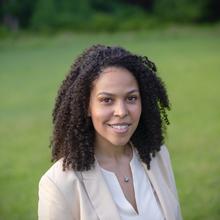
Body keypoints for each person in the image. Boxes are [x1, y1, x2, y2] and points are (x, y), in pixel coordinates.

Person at [38, 44, 182, 220]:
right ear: (86, 106)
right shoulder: (59, 184)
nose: (121, 111)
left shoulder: (158, 157)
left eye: (131, 98)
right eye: (107, 100)